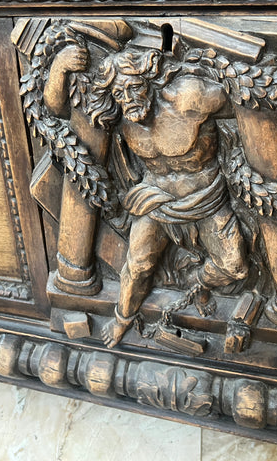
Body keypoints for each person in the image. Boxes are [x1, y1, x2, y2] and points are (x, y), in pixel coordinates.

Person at [86, 45, 249, 347]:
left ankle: (198, 281)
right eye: (120, 94)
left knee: (234, 266)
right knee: (137, 265)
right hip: (156, 201)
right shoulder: (118, 115)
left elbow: (245, 104)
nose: (128, 99)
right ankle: (122, 318)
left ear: (149, 81)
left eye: (134, 87)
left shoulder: (190, 98)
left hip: (205, 198)